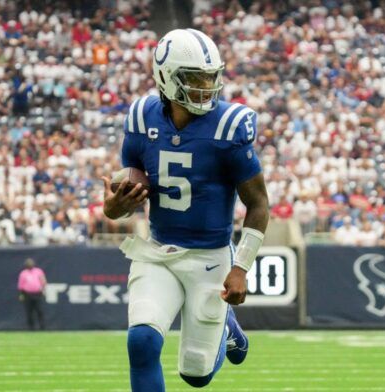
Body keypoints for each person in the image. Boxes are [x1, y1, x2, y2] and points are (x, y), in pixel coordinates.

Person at [102, 29, 269, 391]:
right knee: (141, 342)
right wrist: (113, 208)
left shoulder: (230, 126)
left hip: (210, 258)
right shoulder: (141, 119)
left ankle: (227, 326)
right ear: (166, 77)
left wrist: (240, 268)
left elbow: (258, 204)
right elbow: (125, 192)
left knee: (197, 376)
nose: (206, 86)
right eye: (195, 78)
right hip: (159, 250)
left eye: (210, 76)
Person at [17, 258, 47, 330]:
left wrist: (43, 289)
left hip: (37, 293)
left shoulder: (38, 271)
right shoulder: (23, 273)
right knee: (29, 312)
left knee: (40, 311)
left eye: (31, 263)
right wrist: (21, 294)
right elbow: (20, 285)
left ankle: (42, 327)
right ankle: (31, 328)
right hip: (27, 294)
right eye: (28, 264)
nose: (30, 265)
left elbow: (43, 281)